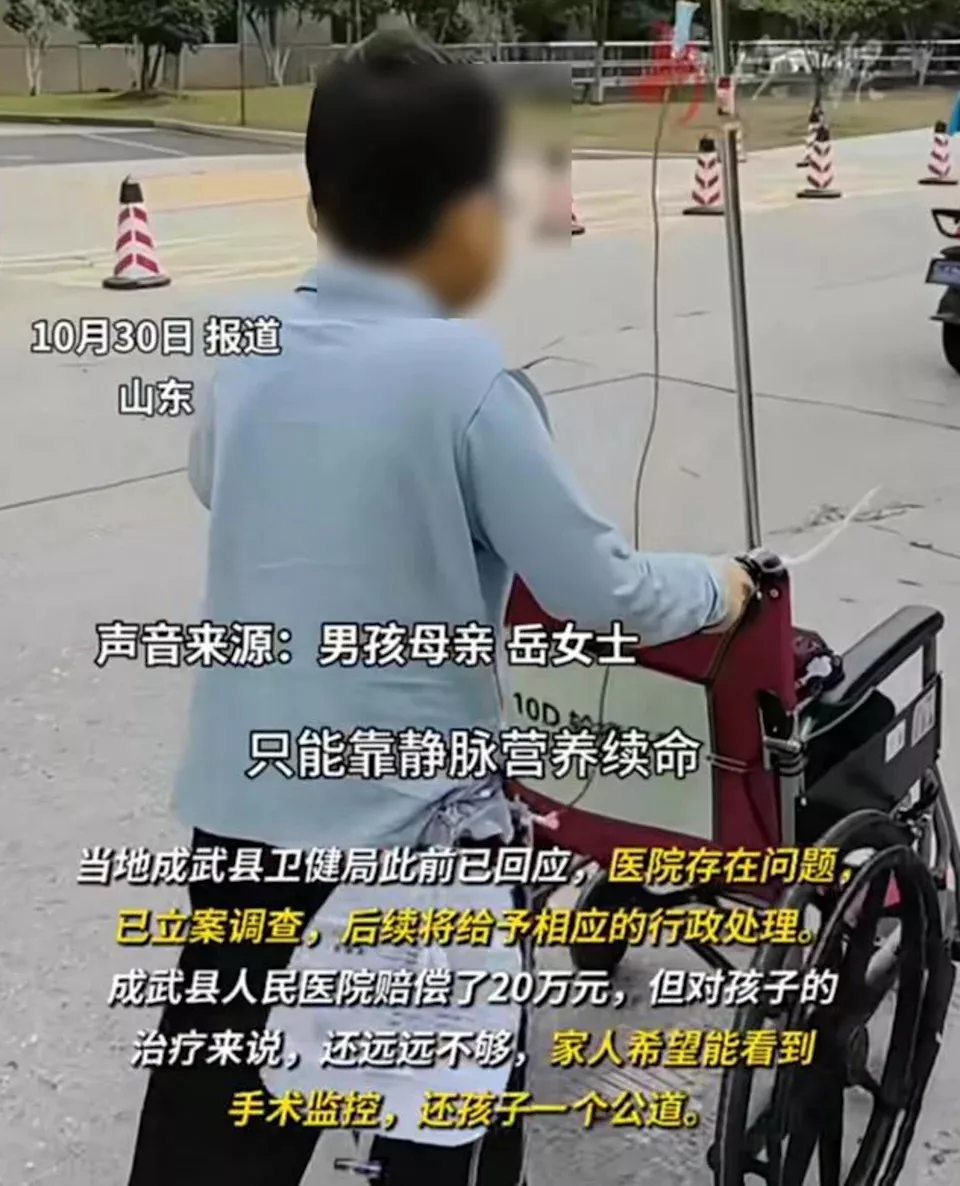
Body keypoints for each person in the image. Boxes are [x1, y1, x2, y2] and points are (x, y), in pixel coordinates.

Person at [125, 29, 754, 1186]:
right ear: (467, 215)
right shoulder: (469, 380)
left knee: (213, 1117)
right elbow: (599, 589)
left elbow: (218, 482)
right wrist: (720, 583)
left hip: (243, 807)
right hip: (408, 832)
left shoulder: (245, 352)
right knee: (440, 1119)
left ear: (314, 207)